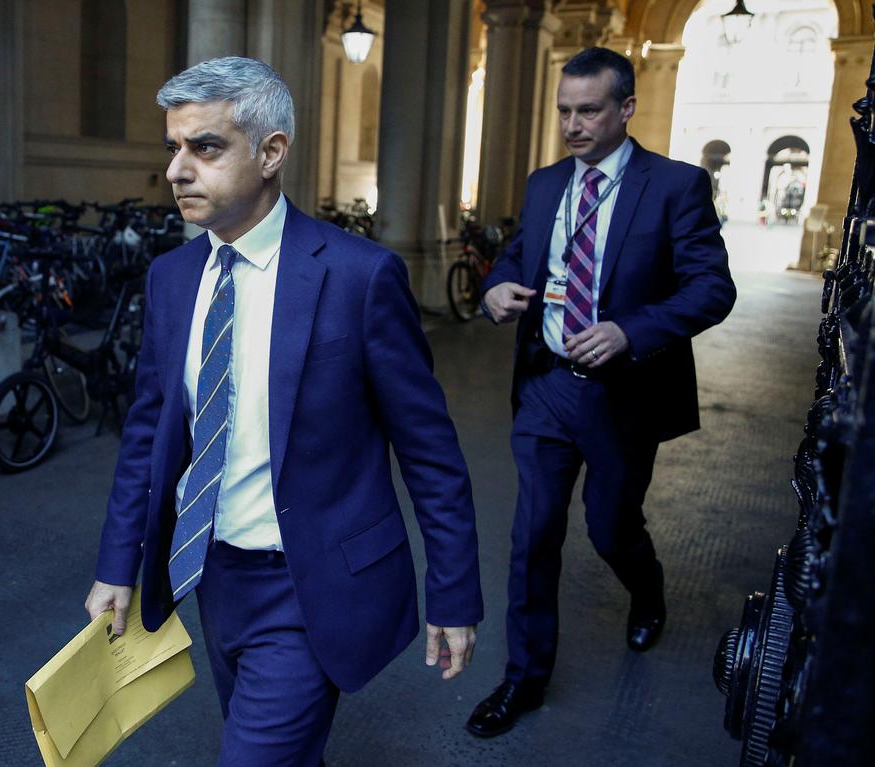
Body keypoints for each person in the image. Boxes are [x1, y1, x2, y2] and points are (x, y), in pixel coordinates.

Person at [85, 56, 483, 766]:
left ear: (271, 152)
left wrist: (453, 591)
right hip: (209, 575)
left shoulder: (360, 277)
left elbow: (429, 449)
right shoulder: (173, 278)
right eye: (173, 146)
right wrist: (118, 562)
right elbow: (148, 431)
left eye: (204, 147)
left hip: (311, 583)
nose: (177, 169)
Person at [466, 47, 736, 739]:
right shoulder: (545, 182)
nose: (573, 125)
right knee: (533, 534)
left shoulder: (676, 185)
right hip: (549, 384)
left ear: (626, 108)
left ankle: (647, 591)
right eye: (564, 110)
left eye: (589, 110)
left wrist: (631, 331)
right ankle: (523, 679)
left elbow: (712, 288)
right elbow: (524, 255)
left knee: (612, 526)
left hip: (625, 394)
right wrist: (498, 283)